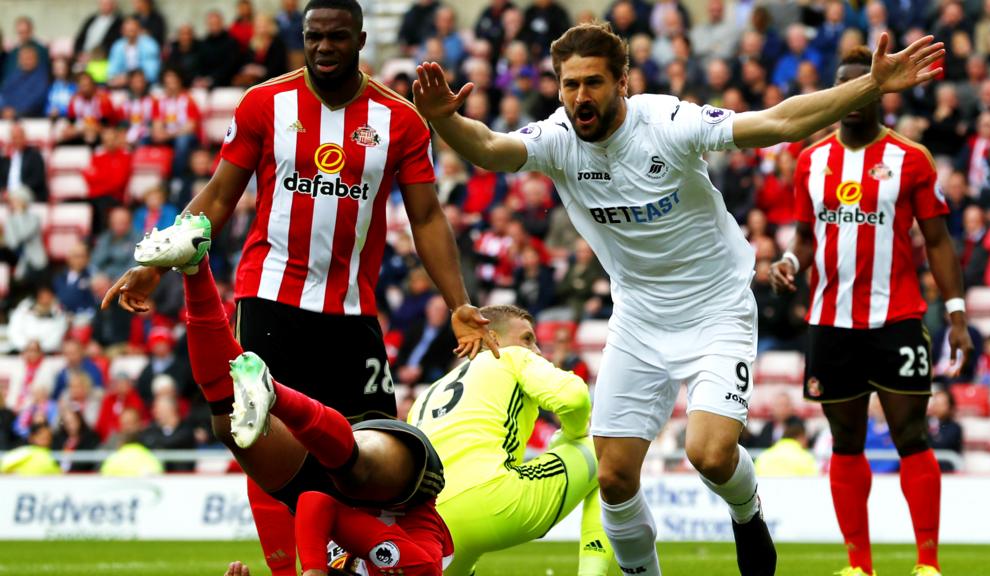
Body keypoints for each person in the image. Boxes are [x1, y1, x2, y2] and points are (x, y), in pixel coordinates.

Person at [414, 20, 944, 576]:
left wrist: (872, 85)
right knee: (614, 477)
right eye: (569, 85)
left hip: (717, 307)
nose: (580, 97)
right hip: (638, 317)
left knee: (710, 454)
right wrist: (445, 117)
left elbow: (778, 121)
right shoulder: (557, 140)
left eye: (593, 83)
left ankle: (747, 509)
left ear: (623, 81)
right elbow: (493, 149)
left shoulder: (667, 122)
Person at [102, 2, 496, 574]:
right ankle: (300, 567)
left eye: (337, 37)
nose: (324, 48)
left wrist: (458, 302)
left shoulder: (400, 119)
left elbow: (428, 218)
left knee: (370, 464)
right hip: (270, 300)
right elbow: (218, 195)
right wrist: (155, 261)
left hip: (351, 313)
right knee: (254, 439)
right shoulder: (265, 103)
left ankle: (354, 562)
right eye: (314, 37)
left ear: (360, 39)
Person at [136, 230, 452, 574]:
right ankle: (273, 392)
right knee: (353, 472)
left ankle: (195, 268)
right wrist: (313, 568)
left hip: (331, 499)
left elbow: (312, 499)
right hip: (406, 492)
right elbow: (322, 504)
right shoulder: (415, 567)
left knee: (232, 428)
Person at [770, 47, 973, 576]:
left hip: (898, 318)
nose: (854, 96)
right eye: (845, 87)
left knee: (912, 437)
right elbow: (804, 237)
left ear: (879, 88)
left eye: (865, 85)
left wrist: (955, 313)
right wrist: (790, 260)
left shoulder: (912, 158)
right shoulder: (810, 161)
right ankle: (859, 566)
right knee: (845, 441)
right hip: (829, 321)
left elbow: (938, 241)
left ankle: (926, 563)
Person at [410, 304, 612, 576]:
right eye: (528, 339)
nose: (537, 351)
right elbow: (574, 397)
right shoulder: (510, 357)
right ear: (491, 338)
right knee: (608, 452)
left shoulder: (428, 393)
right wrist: (574, 436)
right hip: (493, 500)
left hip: (431, 524)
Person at [752, 416, 818, 477]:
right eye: (805, 439)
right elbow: (813, 482)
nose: (807, 443)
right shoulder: (806, 458)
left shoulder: (763, 456)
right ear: (801, 437)